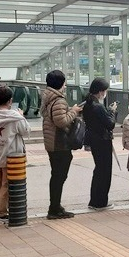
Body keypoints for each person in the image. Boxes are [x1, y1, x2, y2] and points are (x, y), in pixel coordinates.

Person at [0, 86, 30, 224]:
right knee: (6, 185)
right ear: (10, 101)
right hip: (9, 157)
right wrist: (21, 115)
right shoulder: (15, 117)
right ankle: (1, 213)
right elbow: (26, 131)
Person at [41, 70, 82, 219]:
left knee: (56, 175)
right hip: (59, 142)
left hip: (52, 142)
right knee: (59, 176)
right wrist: (74, 111)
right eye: (64, 82)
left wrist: (69, 110)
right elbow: (61, 121)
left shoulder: (47, 97)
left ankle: (55, 206)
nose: (65, 85)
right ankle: (54, 209)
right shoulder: (58, 100)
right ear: (60, 83)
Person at [83, 78, 118, 210]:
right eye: (105, 91)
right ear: (100, 91)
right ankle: (101, 202)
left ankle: (94, 201)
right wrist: (113, 112)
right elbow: (110, 124)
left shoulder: (88, 104)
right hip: (103, 141)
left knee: (98, 170)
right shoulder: (98, 106)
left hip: (94, 140)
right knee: (105, 172)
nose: (105, 93)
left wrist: (107, 112)